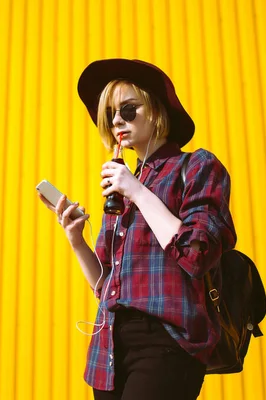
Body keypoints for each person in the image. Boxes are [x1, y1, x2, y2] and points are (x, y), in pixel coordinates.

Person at [37, 59, 237, 400]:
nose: (117, 121)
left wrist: (138, 192)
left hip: (168, 341)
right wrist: (76, 239)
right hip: (109, 350)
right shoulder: (124, 187)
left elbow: (196, 254)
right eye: (111, 113)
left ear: (157, 110)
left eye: (128, 110)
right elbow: (105, 287)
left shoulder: (196, 166)